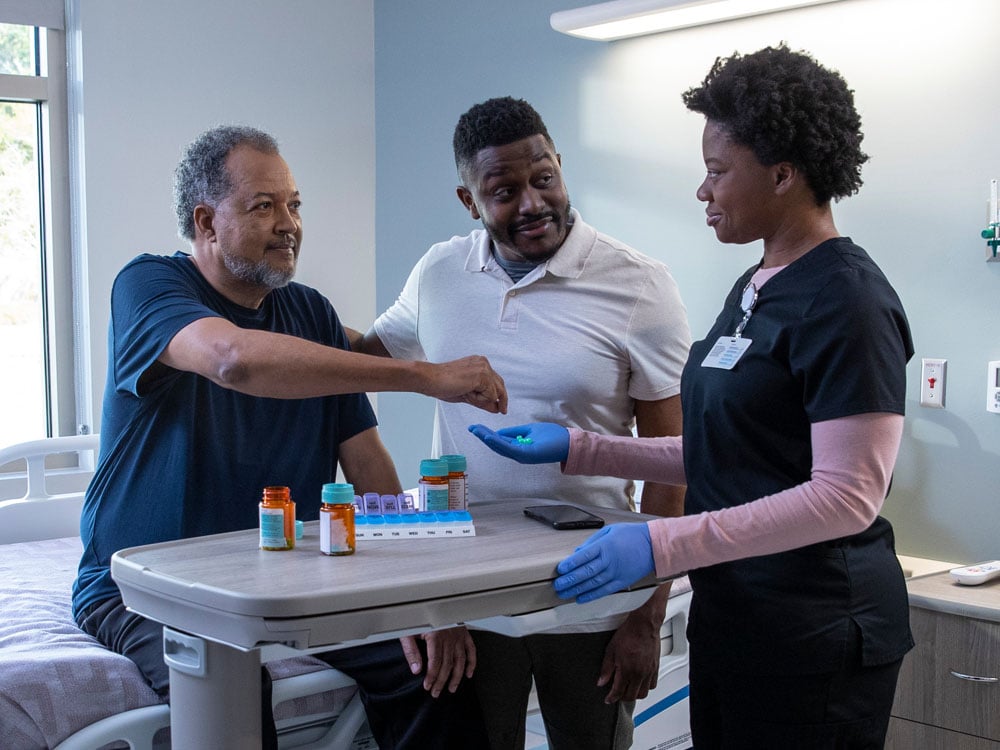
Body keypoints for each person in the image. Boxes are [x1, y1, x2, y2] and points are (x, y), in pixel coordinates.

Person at [472, 46, 914, 749]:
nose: (702, 191)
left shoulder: (847, 300)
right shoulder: (758, 285)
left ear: (782, 173)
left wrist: (663, 541)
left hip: (816, 630)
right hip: (738, 614)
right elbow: (730, 453)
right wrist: (583, 448)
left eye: (716, 171)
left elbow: (847, 496)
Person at [71, 125, 503, 749]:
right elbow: (232, 360)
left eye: (295, 204)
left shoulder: (310, 314)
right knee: (235, 695)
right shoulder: (147, 287)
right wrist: (422, 376)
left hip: (289, 584)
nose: (289, 223)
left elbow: (369, 469)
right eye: (264, 206)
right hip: (147, 587)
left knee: (435, 673)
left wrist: (424, 602)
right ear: (206, 222)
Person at [351, 97, 691, 750]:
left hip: (593, 592)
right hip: (469, 594)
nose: (533, 203)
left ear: (560, 166)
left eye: (544, 179)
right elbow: (364, 359)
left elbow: (670, 466)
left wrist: (646, 617)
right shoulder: (441, 272)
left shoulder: (639, 286)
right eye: (504, 191)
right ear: (468, 199)